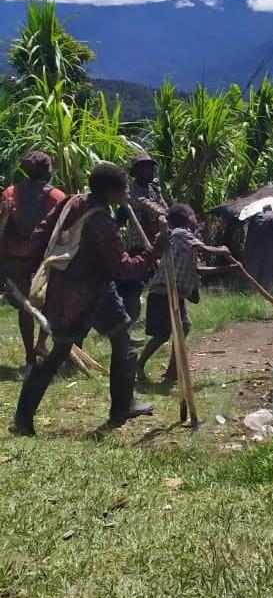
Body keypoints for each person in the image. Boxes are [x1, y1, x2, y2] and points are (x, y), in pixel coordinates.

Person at [10, 162, 168, 436]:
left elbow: (42, 233)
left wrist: (34, 266)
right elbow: (122, 268)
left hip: (71, 290)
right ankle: (24, 420)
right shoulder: (100, 223)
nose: (128, 192)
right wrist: (154, 253)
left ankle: (122, 405)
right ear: (110, 191)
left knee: (119, 340)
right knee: (60, 353)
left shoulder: (74, 202)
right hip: (88, 294)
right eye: (124, 188)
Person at [138, 204, 234, 383]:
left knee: (183, 328)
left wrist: (228, 268)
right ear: (185, 217)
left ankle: (172, 372)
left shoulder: (181, 239)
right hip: (164, 292)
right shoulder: (180, 234)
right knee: (163, 334)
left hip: (176, 294)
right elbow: (205, 249)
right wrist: (223, 249)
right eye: (193, 215)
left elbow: (198, 269)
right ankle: (139, 365)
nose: (196, 218)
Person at [0, 151, 66, 369]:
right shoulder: (56, 196)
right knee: (50, 302)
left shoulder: (11, 192)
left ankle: (30, 356)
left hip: (14, 259)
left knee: (25, 309)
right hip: (43, 261)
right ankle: (40, 344)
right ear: (48, 171)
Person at [115, 153, 168, 327]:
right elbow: (144, 206)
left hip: (157, 244)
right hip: (139, 247)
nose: (150, 171)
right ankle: (126, 327)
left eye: (151, 167)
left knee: (161, 287)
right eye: (146, 168)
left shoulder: (154, 189)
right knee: (133, 289)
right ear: (136, 172)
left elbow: (164, 208)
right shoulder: (129, 193)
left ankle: (158, 323)